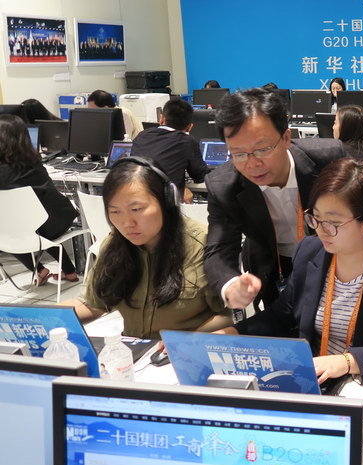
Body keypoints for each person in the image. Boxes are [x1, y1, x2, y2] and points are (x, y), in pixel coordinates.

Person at [224, 158, 363, 384]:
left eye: (333, 223)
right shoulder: (310, 251)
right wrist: (233, 334)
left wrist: (348, 361)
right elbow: (282, 314)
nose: (321, 230)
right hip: (314, 379)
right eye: (316, 218)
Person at [204, 88, 346, 310]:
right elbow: (219, 248)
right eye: (238, 154)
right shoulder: (223, 185)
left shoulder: (329, 159)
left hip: (336, 258)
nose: (252, 164)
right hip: (274, 267)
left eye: (262, 149)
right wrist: (230, 285)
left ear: (286, 138)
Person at [61, 157, 231, 339]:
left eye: (136, 209)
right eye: (115, 212)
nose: (127, 223)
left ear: (167, 201)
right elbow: (94, 303)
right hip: (135, 349)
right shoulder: (114, 244)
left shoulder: (204, 245)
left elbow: (228, 316)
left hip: (184, 351)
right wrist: (45, 317)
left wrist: (186, 341)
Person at [0, 114, 79, 285]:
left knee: (8, 229)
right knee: (36, 225)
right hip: (54, 222)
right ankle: (70, 271)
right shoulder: (33, 163)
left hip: (22, 229)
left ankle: (40, 270)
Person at [130, 99, 209, 203]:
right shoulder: (187, 141)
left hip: (134, 196)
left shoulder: (142, 135)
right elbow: (200, 176)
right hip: (163, 203)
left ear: (161, 119)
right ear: (189, 127)